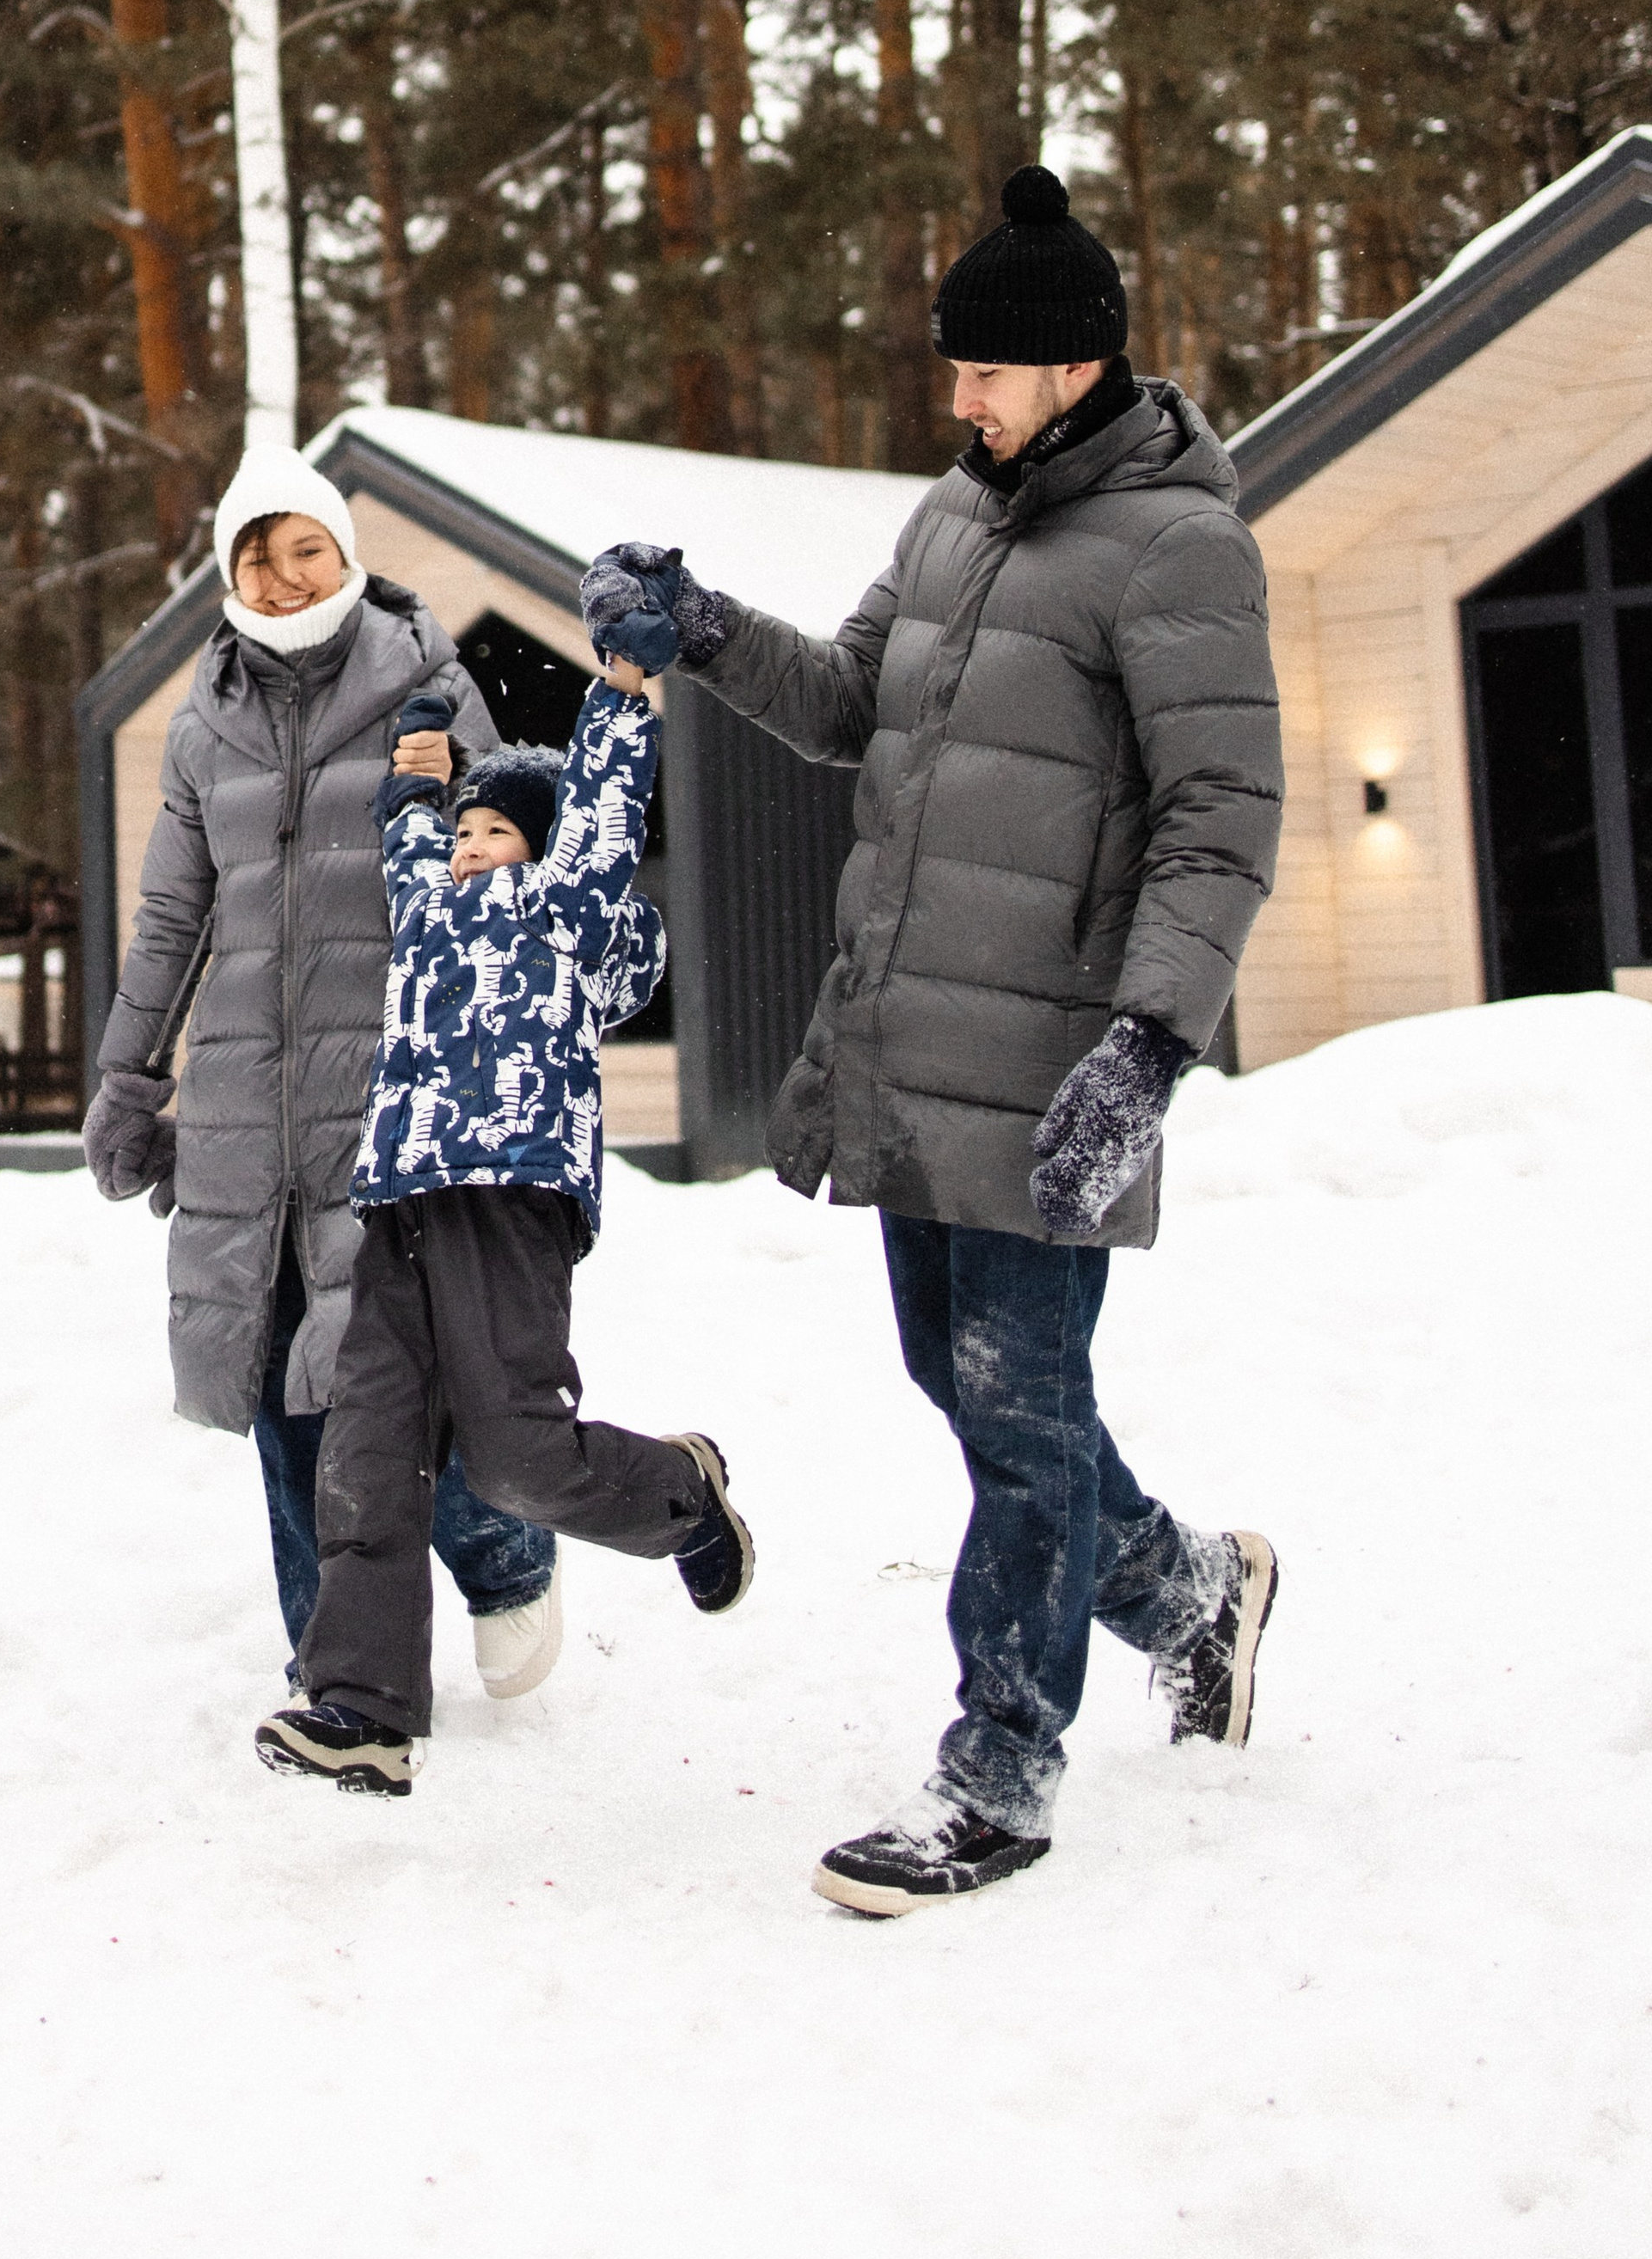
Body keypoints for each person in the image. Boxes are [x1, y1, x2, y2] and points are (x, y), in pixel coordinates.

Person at [579, 165, 1285, 1911]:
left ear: (1075, 365)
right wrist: (708, 631)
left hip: (1055, 1059)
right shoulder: (949, 521)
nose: (953, 398)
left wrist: (1147, 1047)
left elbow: (1217, 822)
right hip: (903, 1039)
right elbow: (845, 705)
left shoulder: (1180, 546)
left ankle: (997, 1772)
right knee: (962, 1392)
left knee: (1021, 1416)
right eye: (951, 370)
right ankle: (1190, 1593)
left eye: (981, 370)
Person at [84, 444, 561, 1699]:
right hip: (247, 1110)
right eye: (260, 556)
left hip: (397, 1099)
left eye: (308, 550)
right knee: (280, 1382)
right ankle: (332, 1662)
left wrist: (500, 1078)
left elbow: (497, 893)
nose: (286, 578)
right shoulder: (203, 728)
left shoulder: (434, 696)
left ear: (348, 557)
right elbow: (171, 925)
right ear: (229, 574)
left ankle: (505, 1556)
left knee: (410, 1375)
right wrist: (129, 1077)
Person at [254, 629, 755, 1800]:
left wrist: (623, 694)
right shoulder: (431, 900)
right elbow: (407, 826)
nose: (474, 848)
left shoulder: (563, 906)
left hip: (511, 1200)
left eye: (499, 832)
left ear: (541, 847)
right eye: (469, 833)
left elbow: (602, 815)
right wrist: (418, 771)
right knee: (368, 1458)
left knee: (518, 1460)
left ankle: (681, 1493)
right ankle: (363, 1708)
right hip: (402, 1203)